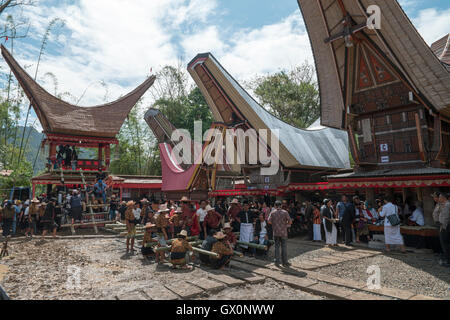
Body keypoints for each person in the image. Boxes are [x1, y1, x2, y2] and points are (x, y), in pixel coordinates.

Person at [268, 200, 292, 267]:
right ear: (281, 205)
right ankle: (285, 262)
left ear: (275, 206)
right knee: (284, 247)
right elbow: (290, 222)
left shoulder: (272, 212)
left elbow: (269, 221)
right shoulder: (285, 212)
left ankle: (277, 262)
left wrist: (274, 224)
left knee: (276, 247)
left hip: (276, 232)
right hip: (283, 232)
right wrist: (285, 225)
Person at [434, 193, 450, 267]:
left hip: (445, 226)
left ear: (443, 198)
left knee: (445, 243)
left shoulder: (447, 205)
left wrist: (442, 226)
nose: (438, 199)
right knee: (444, 243)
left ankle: (448, 260)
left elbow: (445, 217)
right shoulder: (443, 204)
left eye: (440, 197)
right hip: (444, 226)